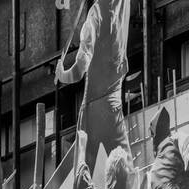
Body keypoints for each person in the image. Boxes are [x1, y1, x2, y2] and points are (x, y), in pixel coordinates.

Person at [54, 0, 132, 173]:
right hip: (114, 103)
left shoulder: (96, 13)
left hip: (94, 105)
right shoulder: (123, 4)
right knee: (126, 173)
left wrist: (62, 75)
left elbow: (80, 69)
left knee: (84, 173)